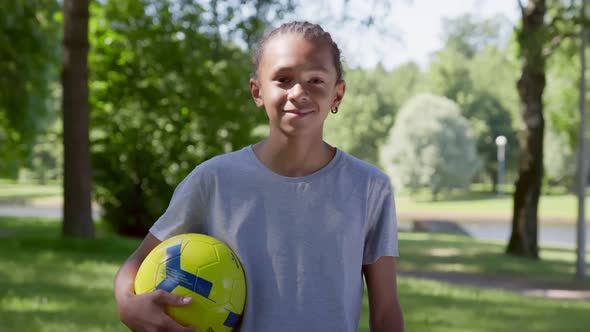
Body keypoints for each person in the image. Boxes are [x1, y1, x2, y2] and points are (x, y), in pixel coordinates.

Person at [114, 21, 404, 332]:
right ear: (257, 91)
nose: (299, 92)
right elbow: (136, 264)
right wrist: (127, 304)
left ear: (338, 93)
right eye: (283, 79)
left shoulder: (370, 187)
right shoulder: (214, 180)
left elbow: (386, 309)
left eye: (315, 80)